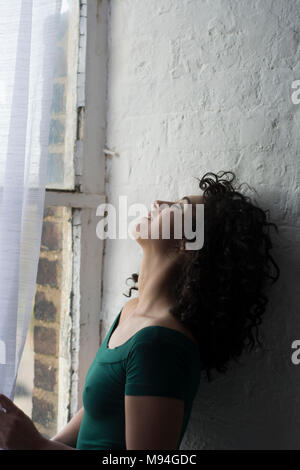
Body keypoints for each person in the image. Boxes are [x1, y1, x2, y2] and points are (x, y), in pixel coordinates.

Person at [0, 171, 280, 450]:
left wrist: (36, 446)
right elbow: (99, 410)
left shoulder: (160, 344)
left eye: (178, 206)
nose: (159, 202)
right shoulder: (131, 312)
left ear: (190, 244)